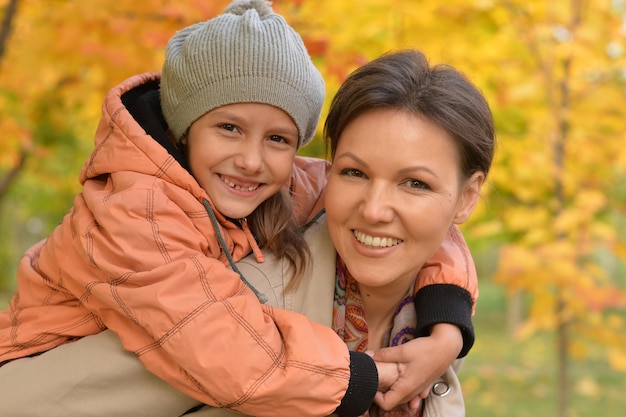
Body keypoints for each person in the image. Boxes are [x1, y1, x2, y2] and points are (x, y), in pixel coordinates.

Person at [0, 1, 479, 415]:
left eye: (277, 139)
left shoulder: (280, 186)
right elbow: (221, 348)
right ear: (184, 127)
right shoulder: (135, 213)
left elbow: (433, 231)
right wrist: (357, 378)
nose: (251, 160)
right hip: (43, 371)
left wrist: (448, 322)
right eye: (229, 128)